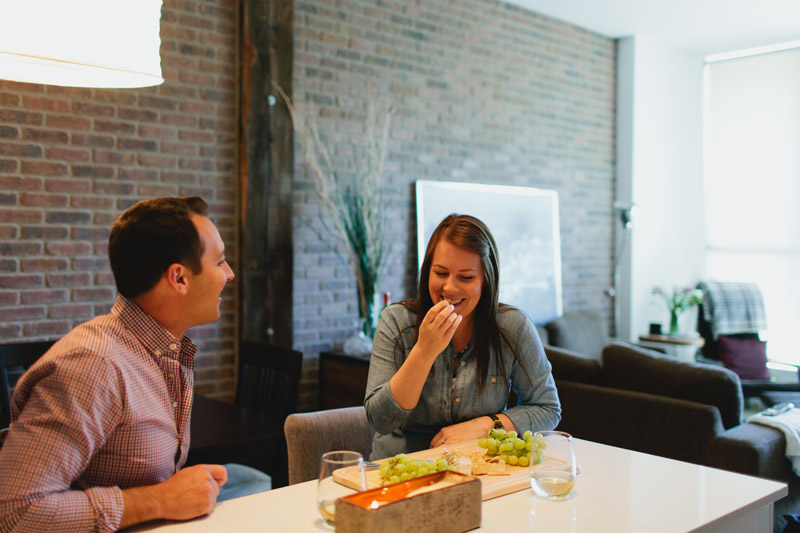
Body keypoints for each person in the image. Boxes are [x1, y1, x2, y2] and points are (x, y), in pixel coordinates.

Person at [0, 197, 235, 532]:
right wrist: (160, 499)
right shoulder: (93, 365)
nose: (229, 274)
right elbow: (14, 511)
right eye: (220, 261)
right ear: (179, 278)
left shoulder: (165, 350)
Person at [364, 214, 561, 459]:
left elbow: (547, 409)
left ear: (486, 281)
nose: (450, 288)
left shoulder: (513, 326)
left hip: (479, 468)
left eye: (466, 277)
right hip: (402, 469)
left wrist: (484, 426)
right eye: (440, 273)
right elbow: (380, 420)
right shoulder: (396, 321)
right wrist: (424, 351)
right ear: (427, 273)